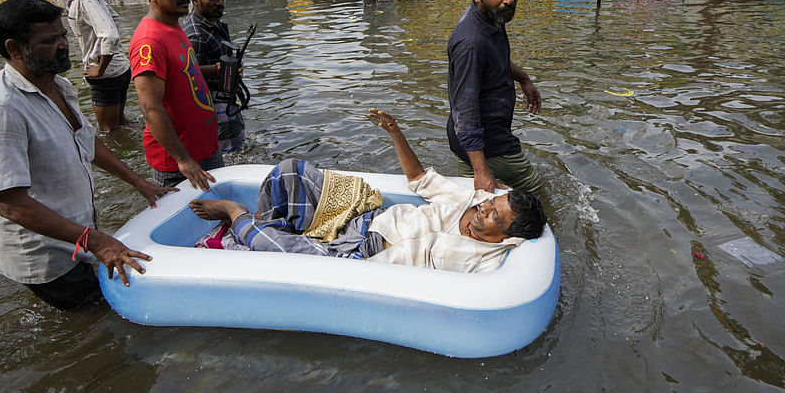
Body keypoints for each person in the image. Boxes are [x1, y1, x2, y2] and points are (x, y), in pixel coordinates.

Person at [0, 0, 174, 309]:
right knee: (103, 316)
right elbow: (11, 205)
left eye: (63, 36)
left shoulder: (58, 85)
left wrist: (139, 183)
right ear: (14, 48)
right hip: (44, 254)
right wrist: (97, 240)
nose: (64, 45)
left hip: (75, 236)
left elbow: (87, 142)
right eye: (49, 40)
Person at [189, 109, 547, 273]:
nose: (484, 210)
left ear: (506, 238)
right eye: (490, 205)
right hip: (366, 219)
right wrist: (394, 131)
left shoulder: (487, 260)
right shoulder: (469, 200)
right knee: (290, 172)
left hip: (360, 259)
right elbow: (419, 179)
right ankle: (275, 229)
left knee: (281, 251)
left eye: (493, 215)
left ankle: (235, 213)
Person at [446, 0, 544, 196]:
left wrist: (523, 79)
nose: (509, 0)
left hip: (468, 143)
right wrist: (481, 170)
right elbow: (465, 111)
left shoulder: (490, 18)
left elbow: (496, 59)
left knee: (481, 203)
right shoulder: (471, 43)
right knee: (536, 195)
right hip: (487, 142)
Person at [129, 0, 219, 189]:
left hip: (204, 149)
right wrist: (183, 159)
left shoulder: (174, 25)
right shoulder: (149, 41)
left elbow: (185, 74)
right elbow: (150, 107)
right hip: (179, 163)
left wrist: (218, 70)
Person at [38, 0, 131, 132]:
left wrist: (99, 68)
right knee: (121, 126)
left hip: (106, 74)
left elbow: (110, 35)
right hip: (119, 68)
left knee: (108, 132)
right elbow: (115, 19)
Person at [183, 0, 246, 166]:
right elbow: (188, 74)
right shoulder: (195, 34)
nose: (219, 3)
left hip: (226, 98)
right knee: (230, 159)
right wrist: (219, 70)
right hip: (214, 106)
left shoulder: (214, 22)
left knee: (238, 149)